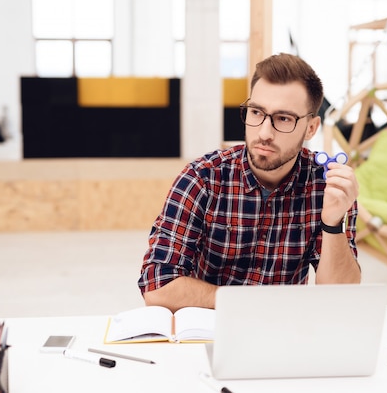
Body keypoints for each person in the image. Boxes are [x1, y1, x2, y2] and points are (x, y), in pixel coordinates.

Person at [138, 53, 361, 312]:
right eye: (256, 112)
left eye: (284, 119)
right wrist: (249, 303)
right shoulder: (202, 178)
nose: (264, 133)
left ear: (311, 128)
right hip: (208, 330)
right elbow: (158, 286)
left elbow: (340, 296)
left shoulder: (329, 187)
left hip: (281, 333)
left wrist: (332, 223)